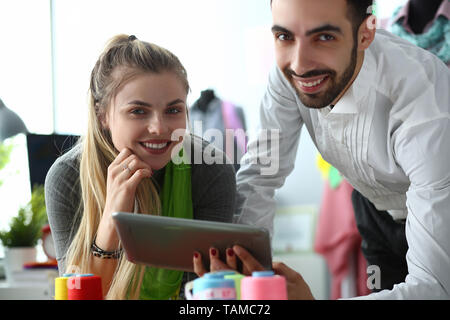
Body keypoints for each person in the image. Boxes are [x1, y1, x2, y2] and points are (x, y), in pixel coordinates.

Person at [195, 0, 450, 299]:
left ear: (366, 34)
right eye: (284, 36)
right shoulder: (286, 75)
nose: (300, 64)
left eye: (324, 37)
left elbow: (434, 288)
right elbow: (262, 174)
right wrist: (242, 265)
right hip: (374, 211)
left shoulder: (424, 97)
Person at [44, 34, 236, 300]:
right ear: (103, 116)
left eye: (173, 111)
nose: (159, 128)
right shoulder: (67, 178)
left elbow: (201, 297)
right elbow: (79, 294)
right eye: (138, 111)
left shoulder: (209, 171)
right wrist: (112, 219)